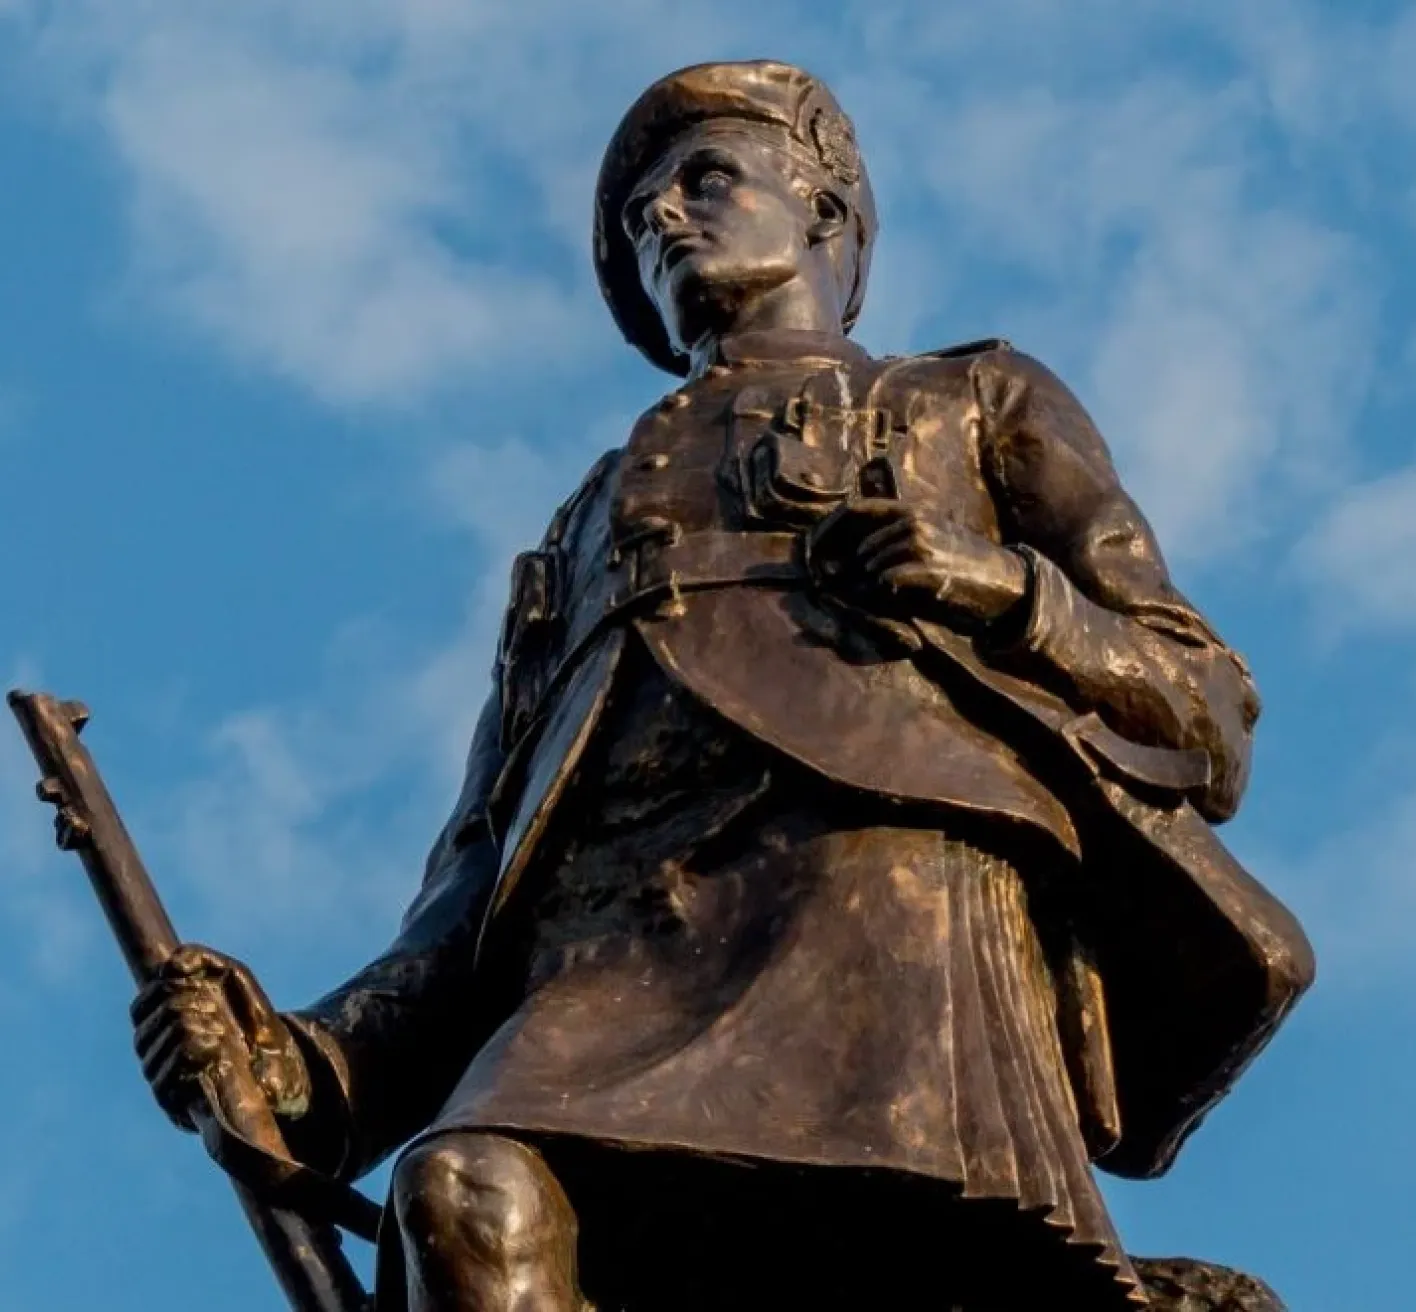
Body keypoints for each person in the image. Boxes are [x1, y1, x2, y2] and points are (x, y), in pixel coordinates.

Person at [131, 60, 1313, 1311]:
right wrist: (300, 1065)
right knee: (465, 1192)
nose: (667, 221)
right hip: (610, 950)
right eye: (644, 215)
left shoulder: (967, 403)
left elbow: (1204, 705)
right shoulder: (580, 530)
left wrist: (1001, 589)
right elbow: (476, 882)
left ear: (823, 211)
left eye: (705, 181)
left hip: (888, 916)